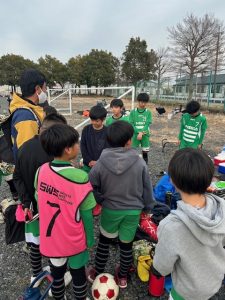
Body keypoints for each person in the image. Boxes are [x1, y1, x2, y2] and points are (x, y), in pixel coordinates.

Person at [87, 120, 155, 288]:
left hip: (111, 210)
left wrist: (100, 199)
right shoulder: (139, 163)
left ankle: (96, 272)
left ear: (108, 140)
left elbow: (91, 184)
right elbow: (148, 188)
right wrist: (147, 208)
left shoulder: (101, 163)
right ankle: (123, 276)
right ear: (129, 141)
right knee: (126, 244)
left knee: (104, 242)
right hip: (133, 211)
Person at [152, 148, 225, 300]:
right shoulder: (221, 208)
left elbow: (162, 266)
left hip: (186, 291)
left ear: (172, 180)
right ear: (210, 179)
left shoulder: (171, 226)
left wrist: (156, 270)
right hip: (214, 281)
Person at [37, 124, 95, 300]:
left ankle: (58, 296)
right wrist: (90, 239)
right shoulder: (80, 177)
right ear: (68, 149)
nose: (79, 146)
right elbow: (86, 214)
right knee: (78, 274)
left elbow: (39, 199)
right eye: (76, 143)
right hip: (73, 237)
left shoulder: (41, 170)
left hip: (51, 236)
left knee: (57, 273)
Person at [9, 69, 47, 160]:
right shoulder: (26, 117)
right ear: (38, 89)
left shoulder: (28, 110)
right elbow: (28, 155)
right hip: (29, 172)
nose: (46, 91)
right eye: (45, 87)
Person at [80, 105, 108, 216]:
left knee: (101, 185)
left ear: (103, 119)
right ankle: (89, 203)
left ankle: (99, 203)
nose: (94, 123)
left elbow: (108, 149)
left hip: (102, 165)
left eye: (97, 121)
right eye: (92, 120)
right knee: (88, 184)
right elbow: (83, 146)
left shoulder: (107, 132)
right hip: (88, 164)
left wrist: (99, 162)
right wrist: (88, 161)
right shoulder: (86, 130)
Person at [129, 93, 152, 164]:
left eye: (145, 102)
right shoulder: (133, 112)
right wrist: (138, 133)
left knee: (145, 151)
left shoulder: (148, 112)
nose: (143, 104)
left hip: (145, 134)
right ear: (138, 101)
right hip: (135, 134)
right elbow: (131, 123)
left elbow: (147, 124)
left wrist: (141, 133)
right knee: (133, 150)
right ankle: (133, 164)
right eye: (142, 102)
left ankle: (145, 164)